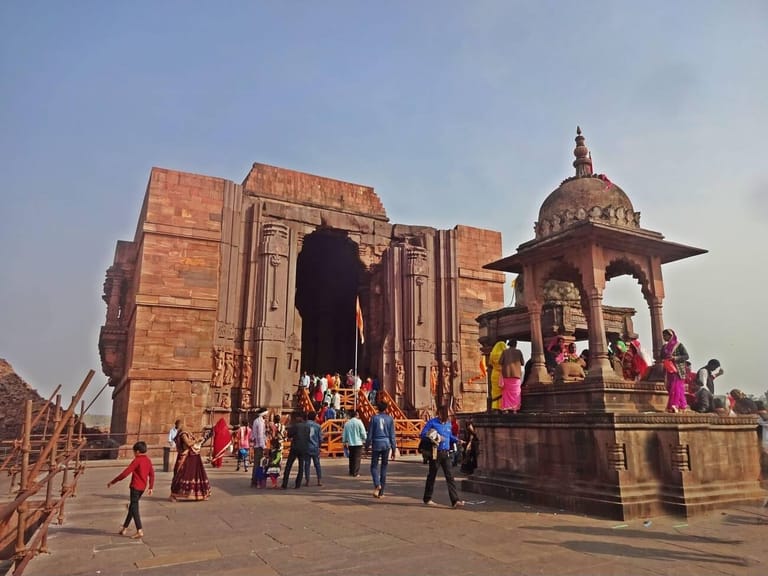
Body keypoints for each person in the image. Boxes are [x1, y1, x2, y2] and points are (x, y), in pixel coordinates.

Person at [107, 441, 155, 539]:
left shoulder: (137, 460)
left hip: (135, 487)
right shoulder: (148, 460)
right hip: (142, 487)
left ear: (137, 451)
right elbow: (152, 474)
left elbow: (125, 473)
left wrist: (113, 481)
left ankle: (139, 530)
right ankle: (124, 528)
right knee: (132, 507)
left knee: (134, 508)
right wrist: (150, 487)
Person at [420, 406, 464, 508]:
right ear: (439, 413)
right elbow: (423, 434)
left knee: (450, 476)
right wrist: (437, 437)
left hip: (446, 452)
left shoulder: (448, 424)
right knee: (432, 475)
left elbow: (449, 436)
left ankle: (455, 501)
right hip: (435, 452)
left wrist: (457, 440)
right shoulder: (432, 422)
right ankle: (427, 498)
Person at [170, 423, 211, 501]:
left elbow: (192, 442)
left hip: (192, 457)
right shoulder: (183, 434)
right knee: (180, 476)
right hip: (185, 457)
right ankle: (174, 495)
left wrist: (199, 440)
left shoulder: (188, 433)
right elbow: (188, 444)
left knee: (194, 475)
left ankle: (199, 494)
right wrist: (197, 440)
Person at [365, 401, 396, 499]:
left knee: (374, 466)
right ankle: (381, 493)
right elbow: (392, 435)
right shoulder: (390, 419)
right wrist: (394, 449)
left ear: (377, 408)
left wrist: (367, 445)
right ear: (386, 409)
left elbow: (370, 434)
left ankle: (377, 484)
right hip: (386, 444)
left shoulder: (374, 418)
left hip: (376, 443)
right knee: (384, 467)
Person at [660, 328, 689, 413]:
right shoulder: (664, 347)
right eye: (663, 335)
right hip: (669, 369)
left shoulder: (679, 345)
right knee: (670, 387)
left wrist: (675, 358)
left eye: (666, 335)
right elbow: (661, 357)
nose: (664, 337)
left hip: (678, 370)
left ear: (671, 336)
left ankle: (674, 405)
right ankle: (681, 406)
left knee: (676, 387)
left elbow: (686, 356)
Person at [281, 412, 310, 489]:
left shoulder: (296, 426)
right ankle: (298, 484)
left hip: (295, 447)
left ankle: (285, 483)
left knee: (289, 465)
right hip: (303, 447)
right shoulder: (307, 427)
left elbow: (289, 435)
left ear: (300, 417)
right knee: (301, 467)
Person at [499, 339, 525, 413]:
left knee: (506, 393)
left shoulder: (504, 352)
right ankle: (514, 409)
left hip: (506, 375)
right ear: (515, 345)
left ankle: (506, 408)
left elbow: (500, 362)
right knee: (516, 393)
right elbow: (522, 362)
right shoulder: (519, 352)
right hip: (516, 376)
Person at [342, 409, 367, 477]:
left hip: (350, 442)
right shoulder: (359, 422)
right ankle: (355, 472)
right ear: (356, 415)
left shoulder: (347, 423)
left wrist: (344, 441)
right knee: (357, 458)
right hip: (358, 442)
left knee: (351, 457)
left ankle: (351, 471)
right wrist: (364, 438)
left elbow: (344, 434)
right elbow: (363, 432)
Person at [304, 411, 323, 486]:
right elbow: (320, 438)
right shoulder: (318, 426)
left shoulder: (304, 425)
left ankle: (307, 481)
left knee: (307, 464)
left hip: (306, 447)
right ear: (315, 417)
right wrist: (319, 446)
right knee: (317, 464)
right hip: (315, 447)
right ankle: (319, 480)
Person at [250, 407, 268, 487]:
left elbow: (254, 435)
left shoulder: (256, 421)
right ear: (263, 414)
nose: (267, 416)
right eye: (266, 414)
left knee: (257, 464)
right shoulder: (260, 422)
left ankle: (256, 480)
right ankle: (255, 481)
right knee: (258, 464)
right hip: (259, 446)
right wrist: (264, 446)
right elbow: (260, 435)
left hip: (257, 445)